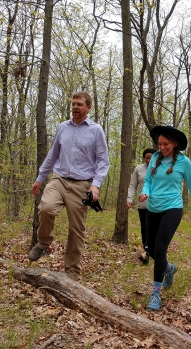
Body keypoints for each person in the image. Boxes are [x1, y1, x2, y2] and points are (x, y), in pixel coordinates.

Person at [29, 91, 110, 281]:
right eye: (73, 104)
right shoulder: (62, 128)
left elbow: (103, 161)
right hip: (60, 179)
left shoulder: (96, 130)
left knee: (76, 228)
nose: (75, 107)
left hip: (82, 184)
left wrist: (95, 185)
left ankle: (72, 270)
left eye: (79, 104)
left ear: (88, 108)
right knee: (46, 208)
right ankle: (43, 242)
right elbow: (52, 155)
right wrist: (40, 178)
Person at [139, 126, 191, 310]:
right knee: (150, 249)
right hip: (153, 208)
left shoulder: (184, 163)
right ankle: (169, 269)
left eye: (165, 144)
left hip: (172, 208)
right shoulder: (154, 158)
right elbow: (148, 182)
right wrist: (145, 192)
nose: (161, 147)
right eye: (159, 144)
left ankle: (155, 293)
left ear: (175, 143)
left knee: (160, 249)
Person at [127, 148, 156, 265]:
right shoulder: (139, 169)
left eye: (151, 157)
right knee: (144, 228)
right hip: (142, 204)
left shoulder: (159, 169)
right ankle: (146, 249)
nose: (148, 160)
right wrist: (129, 199)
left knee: (151, 228)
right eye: (146, 157)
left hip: (156, 204)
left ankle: (149, 251)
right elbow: (133, 185)